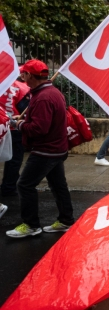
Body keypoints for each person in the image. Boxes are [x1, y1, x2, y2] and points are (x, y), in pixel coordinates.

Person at [5, 60, 74, 238]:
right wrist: (23, 120)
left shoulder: (43, 97)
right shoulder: (50, 92)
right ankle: (66, 220)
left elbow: (39, 128)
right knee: (58, 186)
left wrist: (19, 125)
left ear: (29, 75)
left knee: (25, 185)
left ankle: (31, 225)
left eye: (24, 73)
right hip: (56, 149)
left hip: (46, 150)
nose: (22, 76)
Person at [0, 71, 30, 196]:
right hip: (14, 128)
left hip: (1, 126)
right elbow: (26, 110)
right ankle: (9, 187)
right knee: (14, 159)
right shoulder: (20, 88)